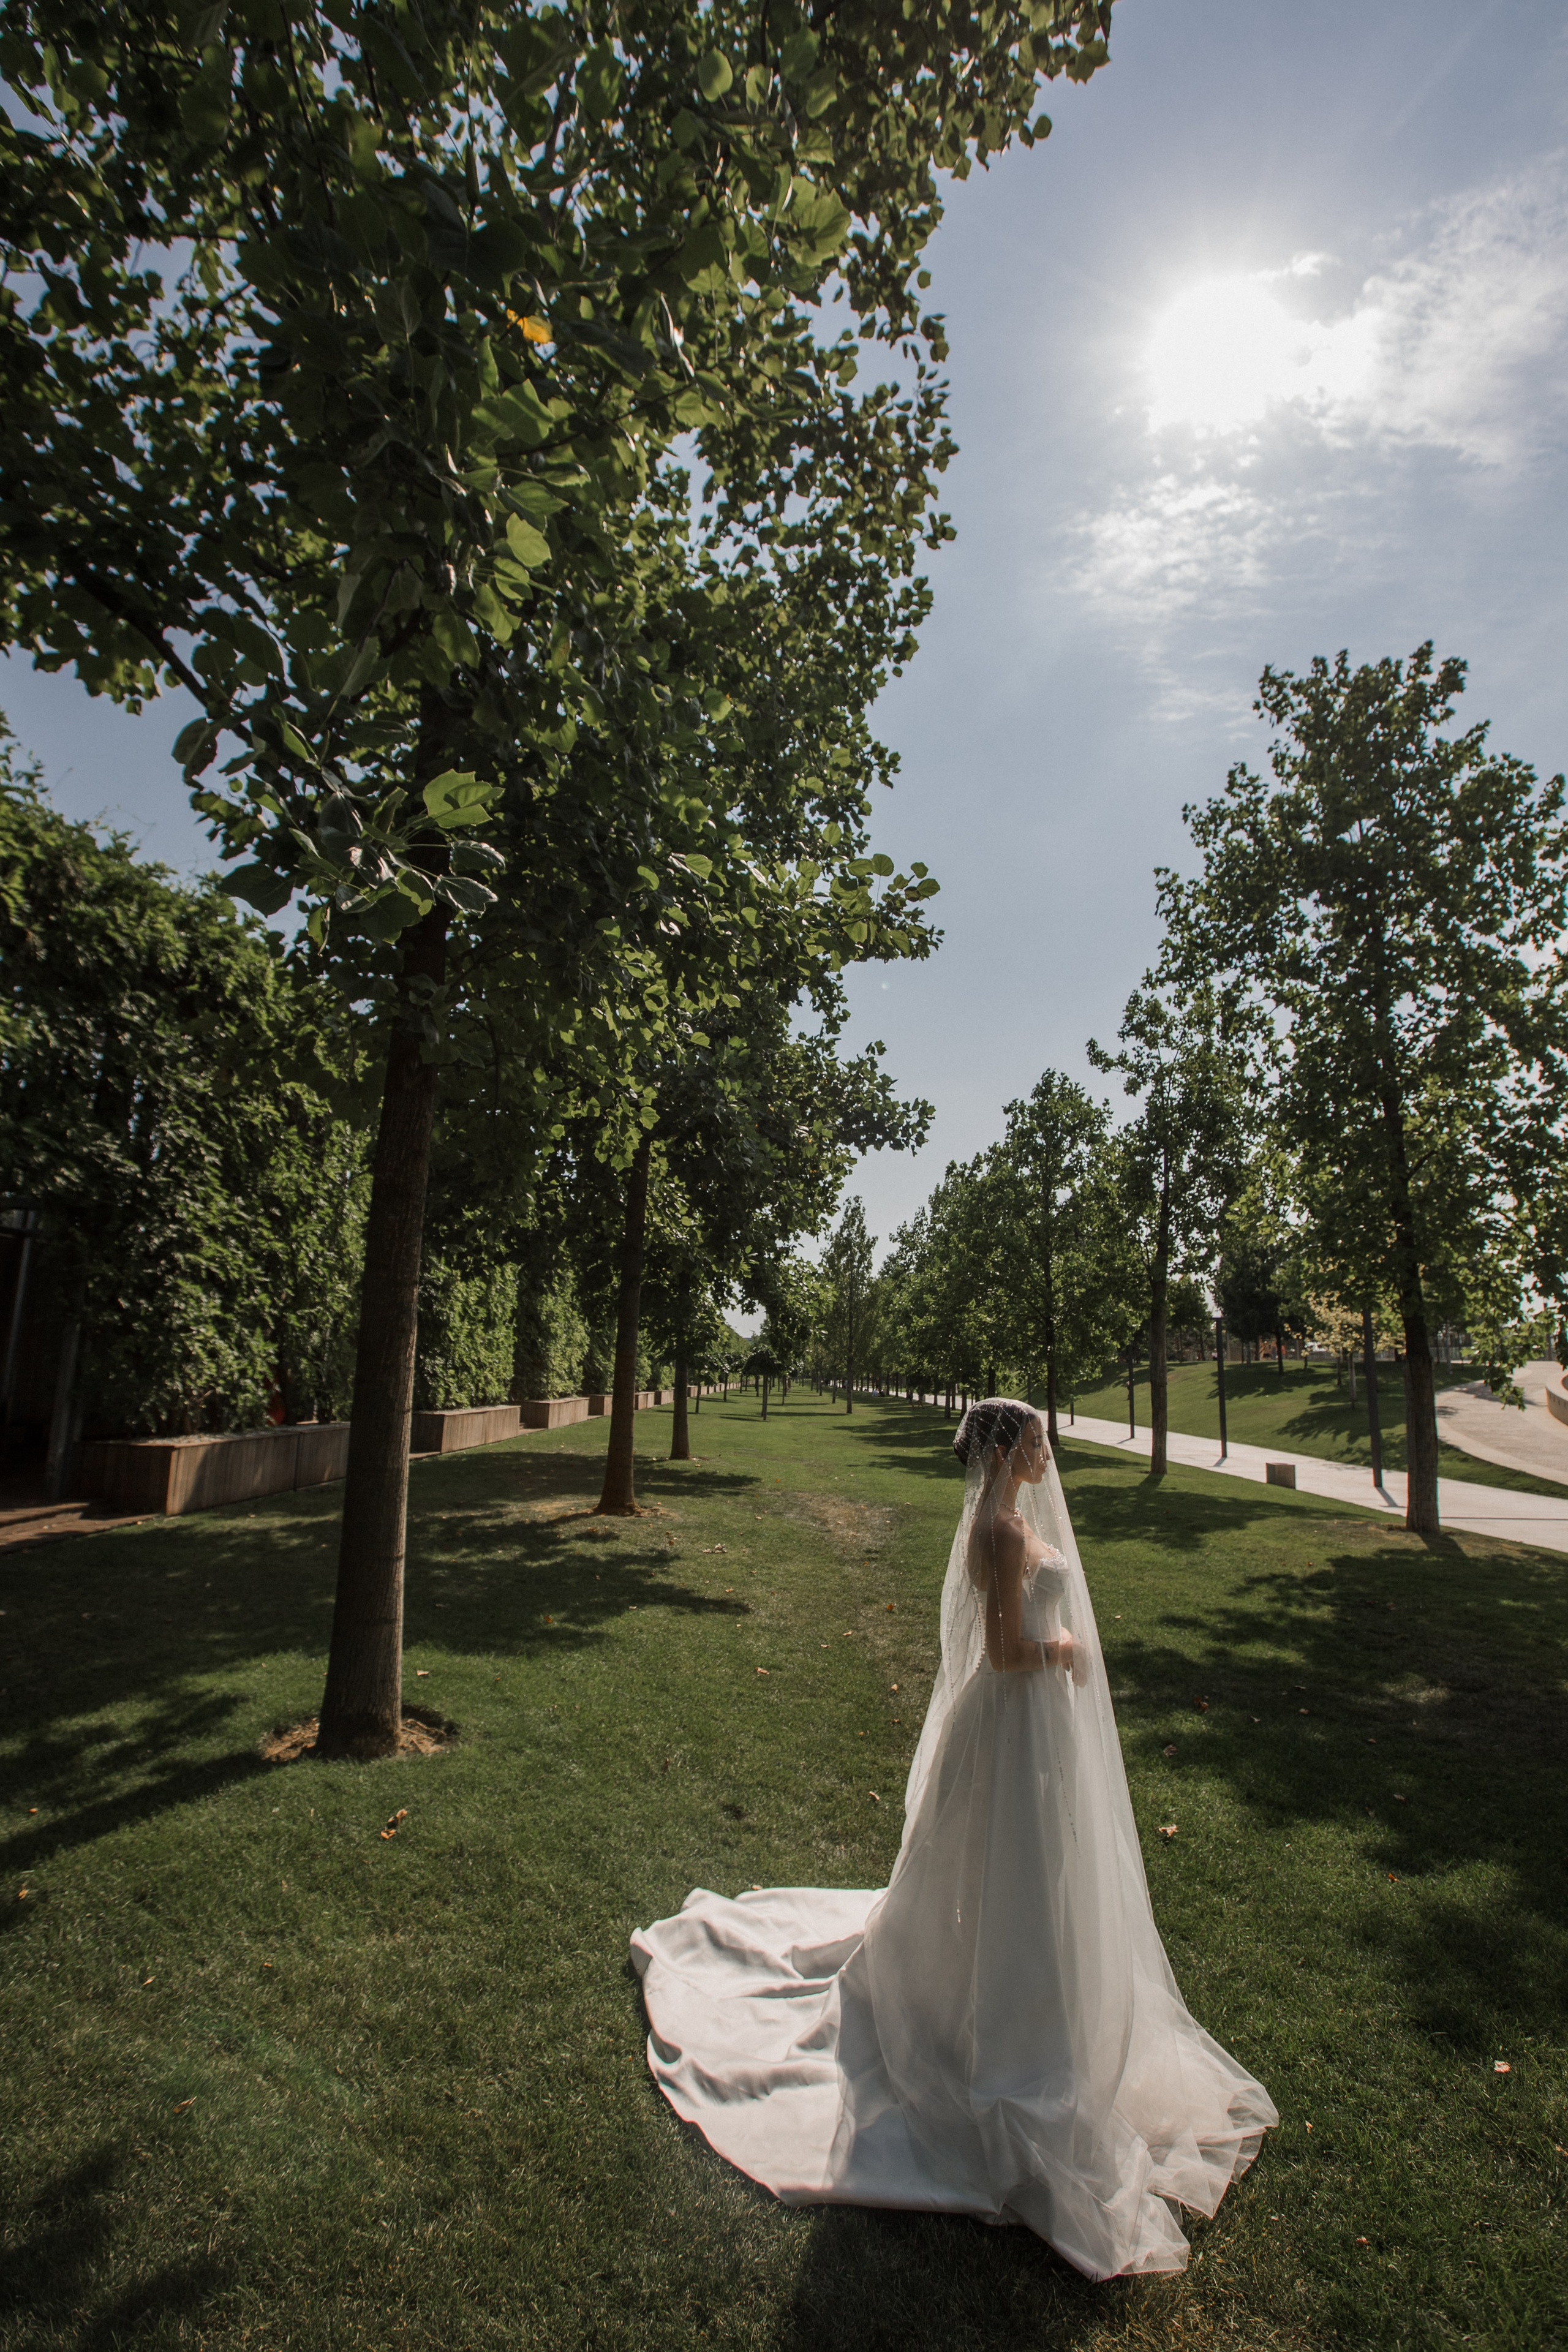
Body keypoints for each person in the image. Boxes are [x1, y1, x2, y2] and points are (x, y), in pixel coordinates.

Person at [631, 1397, 1276, 2277]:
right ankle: (1003, 2027)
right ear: (1012, 1450)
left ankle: (1014, 1997)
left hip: (1021, 1726)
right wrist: (1068, 1655)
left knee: (1014, 1869)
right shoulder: (1004, 1533)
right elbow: (1008, 1652)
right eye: (1042, 1440)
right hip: (1014, 1718)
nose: (1052, 1452)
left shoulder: (1002, 1518)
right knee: (1011, 1868)